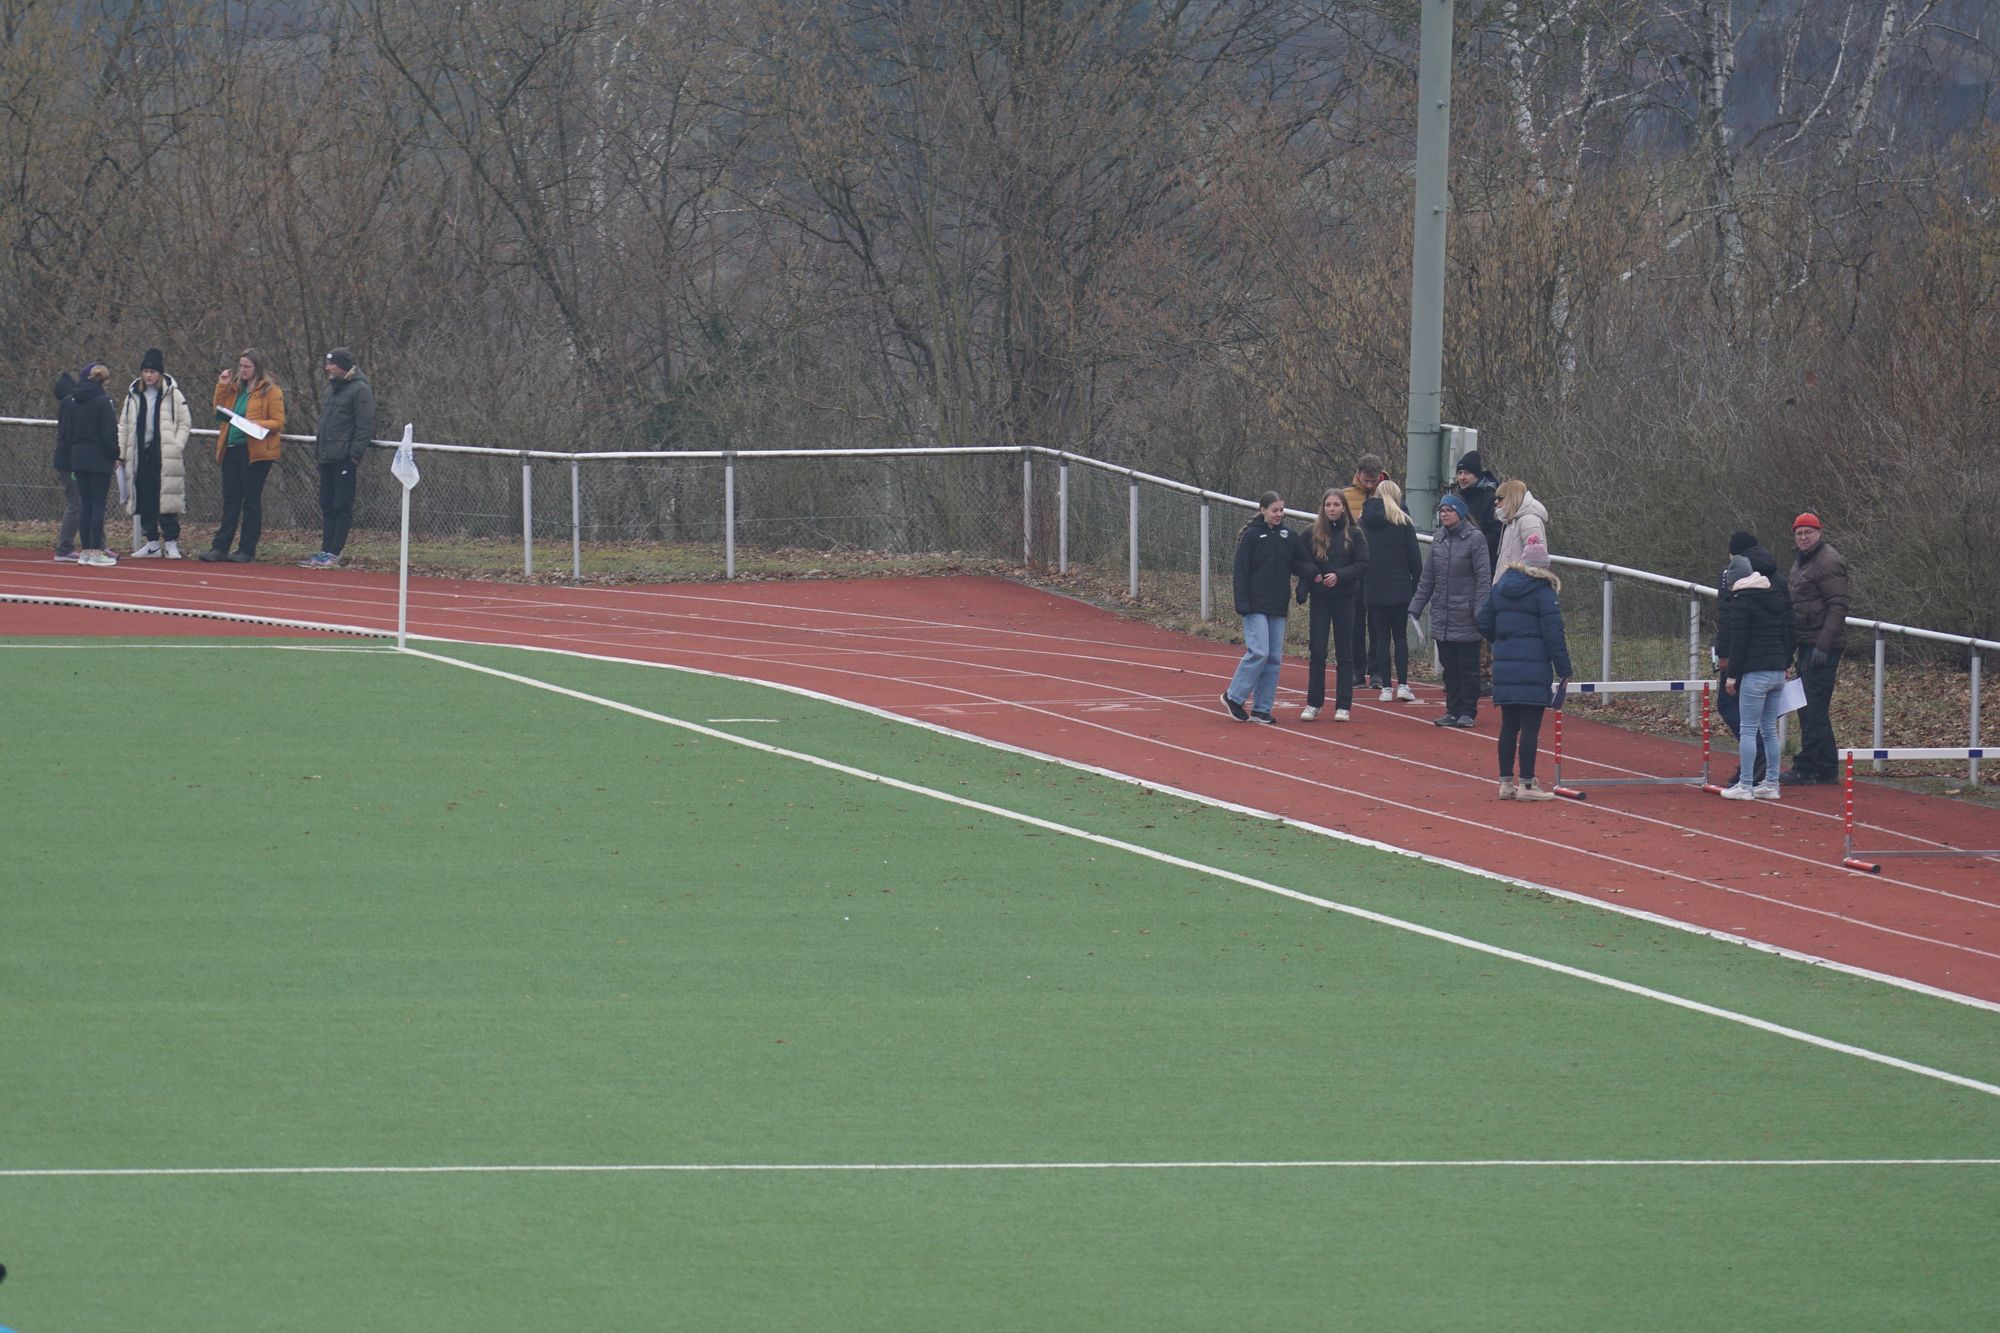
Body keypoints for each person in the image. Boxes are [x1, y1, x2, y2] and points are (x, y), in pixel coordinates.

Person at [1476, 533, 1572, 799]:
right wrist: (1564, 668)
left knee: (1509, 725)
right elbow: (1554, 634)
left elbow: (1482, 621)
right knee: (1530, 726)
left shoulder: (1501, 587)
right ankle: (1527, 784)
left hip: (1505, 667)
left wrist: (1503, 642)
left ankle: (1505, 783)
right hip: (1534, 666)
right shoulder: (1544, 592)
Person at [1221, 492, 1313, 725]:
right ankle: (1233, 696)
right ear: (1263, 510)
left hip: (1278, 604)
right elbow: (1241, 571)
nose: (1279, 514)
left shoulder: (1289, 536)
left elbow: (1303, 563)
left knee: (1273, 658)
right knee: (1259, 652)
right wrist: (1241, 601)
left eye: (1281, 510)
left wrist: (1309, 580)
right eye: (1274, 510)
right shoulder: (1252, 536)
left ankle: (1262, 708)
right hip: (1255, 604)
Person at [1719, 543, 1795, 801]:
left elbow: (1739, 642)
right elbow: (1786, 632)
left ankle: (1745, 784)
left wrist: (1732, 675)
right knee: (1769, 730)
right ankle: (1772, 783)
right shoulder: (1774, 595)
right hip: (1777, 670)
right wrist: (1785, 664)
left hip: (1755, 672)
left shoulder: (1742, 601)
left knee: (1749, 729)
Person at [1409, 492, 1491, 727]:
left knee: (1468, 668)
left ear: (1461, 513)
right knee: (1450, 668)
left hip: (1466, 614)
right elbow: (1428, 577)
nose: (1444, 514)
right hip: (1443, 614)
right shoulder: (1439, 539)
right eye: (1442, 511)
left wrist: (1480, 611)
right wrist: (1416, 606)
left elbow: (1483, 578)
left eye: (1449, 510)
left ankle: (1468, 711)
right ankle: (1452, 710)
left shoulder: (1475, 539)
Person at [1782, 513, 1850, 785]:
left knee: (1812, 706)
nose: (1803, 537)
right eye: (1799, 533)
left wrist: (1823, 644)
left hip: (1821, 645)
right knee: (1811, 705)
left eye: (1808, 532)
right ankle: (1825, 765)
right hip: (1807, 642)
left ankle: (1808, 765)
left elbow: (1838, 605)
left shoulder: (1828, 561)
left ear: (1819, 532)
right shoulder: (1802, 562)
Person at [201, 349, 285, 563]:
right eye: (241, 366)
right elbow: (218, 410)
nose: (243, 370)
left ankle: (247, 549)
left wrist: (258, 424)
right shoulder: (235, 389)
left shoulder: (270, 391)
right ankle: (220, 547)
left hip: (255, 452)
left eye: (247, 366)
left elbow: (278, 422)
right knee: (231, 499)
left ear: (257, 367)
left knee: (251, 500)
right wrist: (222, 385)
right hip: (232, 448)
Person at [1296, 487, 1369, 721]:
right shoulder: (1310, 533)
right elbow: (1299, 561)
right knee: (1317, 651)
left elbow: (1362, 564)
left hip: (1346, 598)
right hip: (1320, 598)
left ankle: (1343, 705)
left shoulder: (1355, 534)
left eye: (1336, 505)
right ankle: (1313, 703)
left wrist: (1340, 576)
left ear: (1344, 507)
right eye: (1328, 505)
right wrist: (1312, 576)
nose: (1332, 509)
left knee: (1344, 651)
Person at [301, 347, 376, 569]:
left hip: (344, 458)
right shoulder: (332, 389)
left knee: (342, 505)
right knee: (327, 503)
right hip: (326, 456)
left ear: (342, 365)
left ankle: (334, 552)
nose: (327, 368)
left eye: (331, 364)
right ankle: (325, 550)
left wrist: (354, 455)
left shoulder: (360, 390)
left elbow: (365, 425)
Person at [116, 348, 192, 559]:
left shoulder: (173, 394)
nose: (148, 375)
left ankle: (171, 541)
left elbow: (185, 422)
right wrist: (120, 452)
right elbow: (124, 425)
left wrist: (177, 444)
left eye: (152, 371)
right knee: (144, 496)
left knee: (166, 498)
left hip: (164, 452)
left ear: (160, 373)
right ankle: (151, 542)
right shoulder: (133, 395)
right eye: (145, 371)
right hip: (140, 453)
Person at [1711, 530, 1772, 786]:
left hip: (1742, 653)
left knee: (1729, 705)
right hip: (1770, 656)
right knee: (1765, 716)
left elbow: (1728, 617)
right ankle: (1767, 772)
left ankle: (1755, 759)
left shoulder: (1732, 574)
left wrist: (1723, 653)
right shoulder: (1773, 573)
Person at [1360, 478, 1422, 703]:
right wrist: (1414, 587)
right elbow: (1415, 559)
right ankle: (1403, 684)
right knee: (1400, 636)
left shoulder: (1364, 521)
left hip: (1374, 585)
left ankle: (1385, 686)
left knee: (1381, 638)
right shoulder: (1403, 522)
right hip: (1399, 586)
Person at [57, 363, 122, 567]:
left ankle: (86, 551)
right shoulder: (104, 402)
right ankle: (96, 550)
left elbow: (68, 431)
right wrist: (115, 455)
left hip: (78, 457)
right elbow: (109, 433)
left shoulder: (74, 400)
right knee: (98, 505)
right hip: (99, 458)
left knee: (85, 504)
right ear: (104, 381)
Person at [1340, 453, 1385, 683]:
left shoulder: (1389, 495)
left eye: (1373, 481)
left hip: (1378, 569)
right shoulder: (1345, 496)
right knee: (1354, 622)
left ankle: (1377, 671)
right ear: (1358, 475)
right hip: (1353, 568)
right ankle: (1357, 670)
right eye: (1365, 480)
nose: (1369, 485)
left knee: (1377, 624)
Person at [51, 368, 83, 561]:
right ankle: (64, 547)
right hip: (69, 464)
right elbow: (69, 435)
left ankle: (95, 543)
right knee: (76, 503)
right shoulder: (69, 406)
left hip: (70, 461)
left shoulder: (69, 406)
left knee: (81, 503)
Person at [1454, 449, 1503, 571]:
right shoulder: (1457, 497)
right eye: (1460, 473)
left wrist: (1473, 545)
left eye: (1467, 473)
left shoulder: (1490, 498)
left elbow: (1497, 534)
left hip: (1484, 562)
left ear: (1476, 475)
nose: (1462, 477)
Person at [1492, 477, 1549, 573]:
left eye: (1500, 498)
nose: (1496, 502)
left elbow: (1536, 562)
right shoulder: (1511, 522)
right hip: (1510, 580)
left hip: (1518, 581)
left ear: (1512, 498)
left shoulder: (1529, 520)